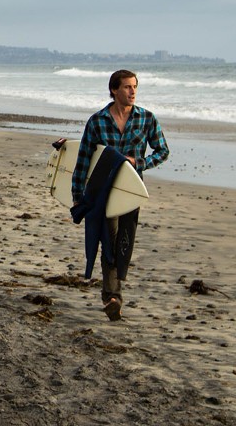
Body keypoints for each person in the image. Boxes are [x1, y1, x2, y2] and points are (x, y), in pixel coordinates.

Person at [66, 69, 168, 321]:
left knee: (125, 243)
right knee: (109, 242)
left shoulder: (146, 119)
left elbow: (163, 151)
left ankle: (113, 291)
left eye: (134, 87)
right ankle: (112, 297)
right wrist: (77, 196)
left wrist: (139, 162)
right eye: (126, 87)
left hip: (131, 192)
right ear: (114, 90)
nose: (132, 92)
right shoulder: (97, 121)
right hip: (103, 192)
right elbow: (83, 159)